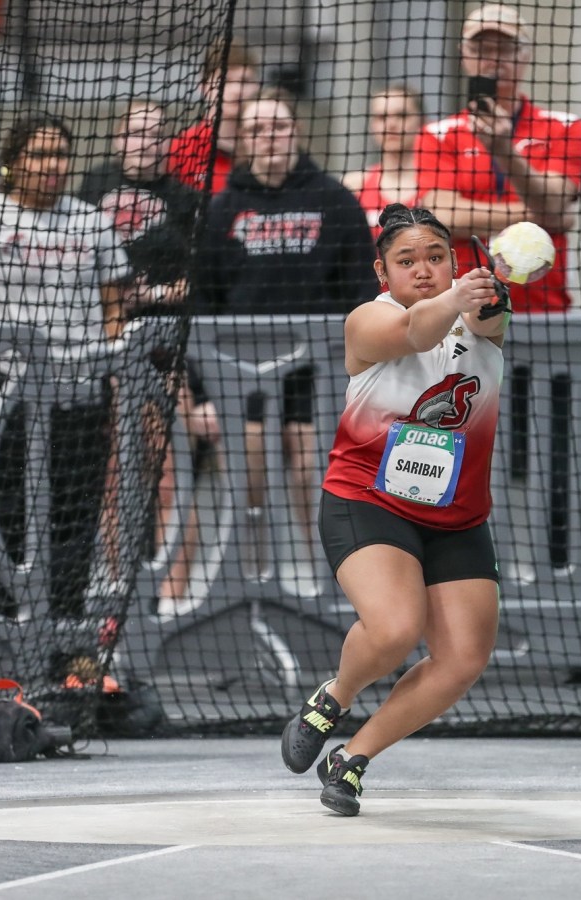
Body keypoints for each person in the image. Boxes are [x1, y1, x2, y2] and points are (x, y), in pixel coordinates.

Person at [280, 202, 509, 816]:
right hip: (367, 499)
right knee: (394, 628)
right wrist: (462, 292)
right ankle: (336, 695)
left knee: (462, 657)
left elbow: (488, 321)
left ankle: (353, 758)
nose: (425, 270)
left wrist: (493, 287)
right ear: (383, 273)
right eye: (407, 261)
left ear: (455, 261)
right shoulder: (367, 320)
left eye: (437, 257)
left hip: (458, 514)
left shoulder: (480, 313)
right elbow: (416, 333)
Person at [0, 113, 132, 620]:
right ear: (12, 163)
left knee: (74, 507)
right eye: (40, 155)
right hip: (3, 390)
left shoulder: (91, 221)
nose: (54, 166)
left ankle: (65, 621)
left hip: (77, 392)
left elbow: (114, 305)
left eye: (61, 156)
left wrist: (111, 377)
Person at [195, 88, 376, 596]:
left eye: (277, 126)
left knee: (313, 472)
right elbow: (204, 301)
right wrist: (203, 393)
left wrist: (360, 375)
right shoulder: (222, 209)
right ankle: (254, 589)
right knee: (251, 477)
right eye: (256, 129)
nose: (268, 137)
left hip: (317, 372)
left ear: (295, 131)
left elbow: (361, 292)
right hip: (242, 372)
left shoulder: (335, 200)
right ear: (243, 140)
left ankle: (334, 586)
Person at [78, 98, 216, 616]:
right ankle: (117, 583)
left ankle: (173, 594)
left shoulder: (184, 199)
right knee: (114, 471)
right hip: (104, 347)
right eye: (137, 132)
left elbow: (197, 281)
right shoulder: (92, 188)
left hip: (163, 349)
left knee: (167, 470)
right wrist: (113, 298)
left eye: (157, 134)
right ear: (119, 138)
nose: (146, 141)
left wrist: (151, 296)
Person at [413, 3, 581, 313]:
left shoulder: (564, 126)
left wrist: (504, 150)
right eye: (481, 49)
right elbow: (443, 217)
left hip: (541, 305)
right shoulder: (437, 134)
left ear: (525, 56)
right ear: (464, 54)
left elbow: (555, 200)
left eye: (505, 49)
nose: (493, 60)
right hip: (461, 308)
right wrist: (542, 219)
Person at [168, 38, 260, 195]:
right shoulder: (181, 148)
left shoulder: (267, 145)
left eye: (245, 81)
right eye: (225, 80)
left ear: (257, 86)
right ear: (203, 86)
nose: (237, 90)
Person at [342, 83, 427, 241]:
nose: (391, 124)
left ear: (422, 121)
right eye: (382, 117)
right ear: (373, 125)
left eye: (402, 115)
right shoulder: (353, 186)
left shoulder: (439, 187)